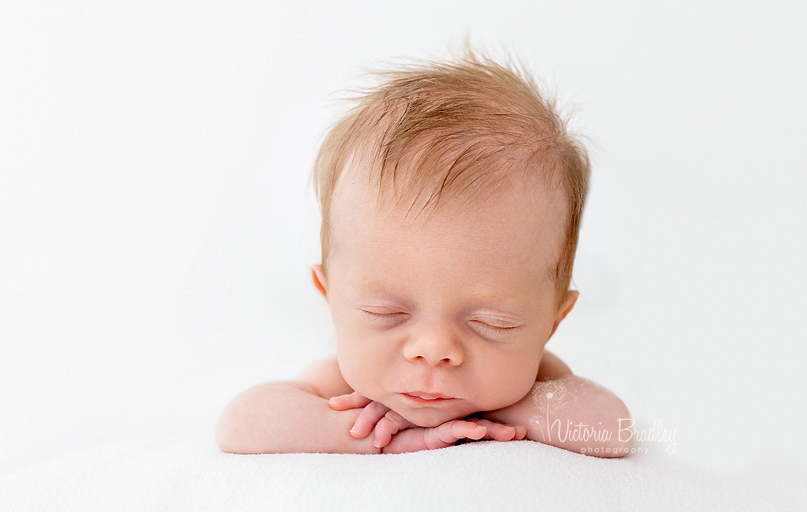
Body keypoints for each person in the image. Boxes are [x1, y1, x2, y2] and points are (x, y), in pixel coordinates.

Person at [215, 49, 632, 457]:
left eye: (491, 323)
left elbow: (611, 430)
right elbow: (240, 424)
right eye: (386, 313)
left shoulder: (539, 378)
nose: (432, 349)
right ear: (330, 296)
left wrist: (495, 402)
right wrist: (367, 433)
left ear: (552, 320)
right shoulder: (345, 388)